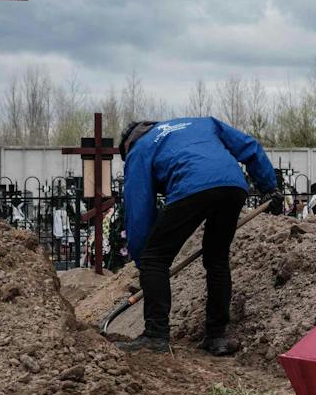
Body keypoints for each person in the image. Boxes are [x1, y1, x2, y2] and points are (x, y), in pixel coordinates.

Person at [116, 117, 283, 356]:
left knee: (155, 259)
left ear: (128, 145)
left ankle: (155, 335)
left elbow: (139, 207)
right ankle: (217, 336)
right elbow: (250, 146)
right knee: (217, 259)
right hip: (233, 185)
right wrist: (269, 188)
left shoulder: (139, 149)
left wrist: (144, 261)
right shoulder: (202, 123)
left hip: (191, 185)